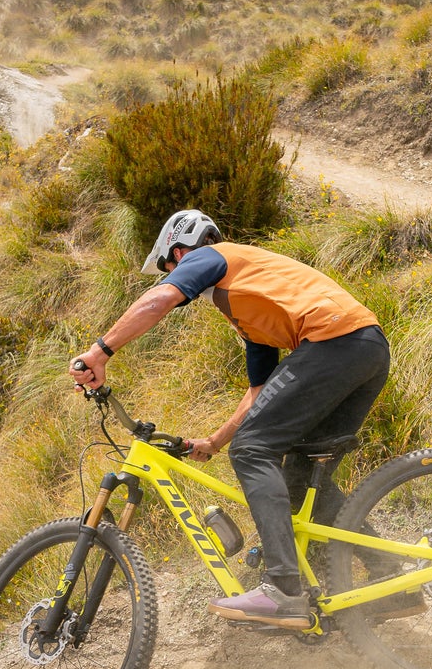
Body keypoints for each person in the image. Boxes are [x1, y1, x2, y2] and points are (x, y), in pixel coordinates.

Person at [70, 210, 389, 630]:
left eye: (169, 268)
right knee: (298, 477)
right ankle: (391, 576)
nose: (173, 276)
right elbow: (261, 389)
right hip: (366, 350)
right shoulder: (247, 299)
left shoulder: (211, 257)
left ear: (178, 253)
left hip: (334, 342)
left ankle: (283, 588)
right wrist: (215, 441)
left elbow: (160, 299)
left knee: (253, 449)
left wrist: (99, 352)